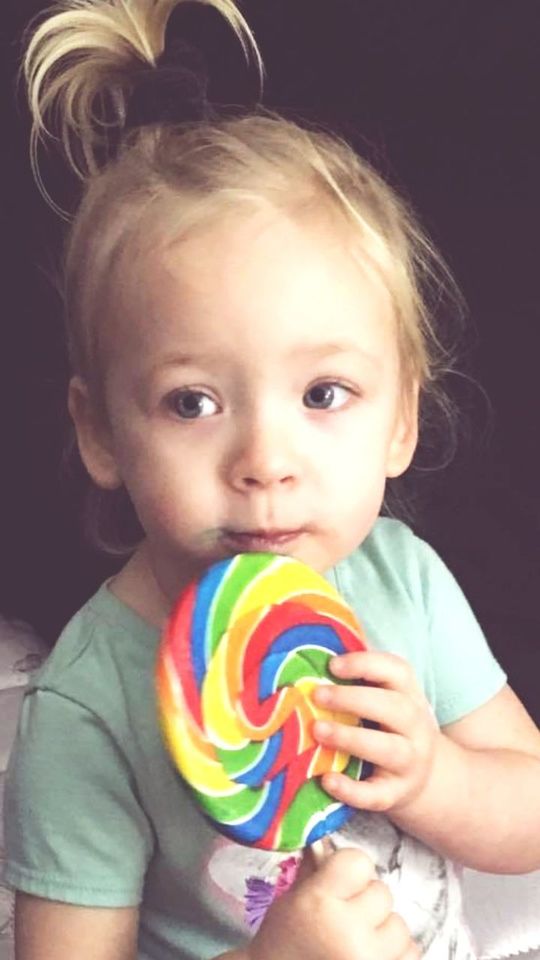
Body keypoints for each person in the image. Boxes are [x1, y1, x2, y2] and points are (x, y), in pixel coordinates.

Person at [4, 1, 540, 958]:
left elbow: (530, 809)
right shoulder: (90, 709)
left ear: (402, 420)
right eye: (192, 403)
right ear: (101, 434)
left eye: (324, 393)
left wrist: (437, 779)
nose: (264, 461)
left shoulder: (401, 581)